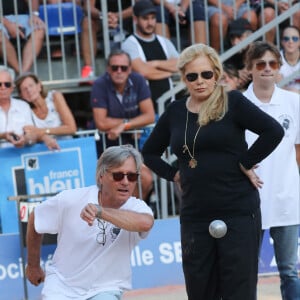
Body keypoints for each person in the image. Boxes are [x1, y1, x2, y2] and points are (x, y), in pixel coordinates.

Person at [141, 43, 284, 299]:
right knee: (200, 291)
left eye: (206, 74)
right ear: (183, 78)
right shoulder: (175, 112)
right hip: (195, 214)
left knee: (238, 291)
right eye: (192, 76)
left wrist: (246, 161)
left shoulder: (234, 102)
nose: (200, 81)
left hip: (238, 211)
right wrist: (173, 174)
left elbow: (274, 131)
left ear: (216, 74)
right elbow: (149, 152)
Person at [25, 144, 154, 299]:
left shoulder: (136, 206)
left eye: (132, 176)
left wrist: (101, 212)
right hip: (61, 285)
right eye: (118, 176)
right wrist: (33, 265)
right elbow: (35, 218)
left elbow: (145, 223)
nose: (126, 182)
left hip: (106, 288)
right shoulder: (71, 199)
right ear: (101, 176)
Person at [244, 40, 300, 300]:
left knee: (290, 270)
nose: (267, 69)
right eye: (261, 64)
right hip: (248, 199)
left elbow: (298, 149)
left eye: (273, 63)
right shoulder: (238, 103)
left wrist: (290, 180)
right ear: (250, 68)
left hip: (287, 197)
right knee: (246, 271)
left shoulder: (294, 102)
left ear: (279, 68)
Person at [90, 48, 155, 201]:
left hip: (133, 147)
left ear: (130, 69)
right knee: (112, 183)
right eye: (114, 68)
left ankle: (132, 214)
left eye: (123, 68)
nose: (119, 71)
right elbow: (101, 122)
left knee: (145, 179)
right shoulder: (99, 85)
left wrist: (125, 126)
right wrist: (131, 124)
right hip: (106, 150)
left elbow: (150, 115)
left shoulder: (138, 80)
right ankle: (118, 216)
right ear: (108, 69)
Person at [122, 0, 179, 114]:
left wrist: (156, 64)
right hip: (143, 111)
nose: (150, 23)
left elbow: (180, 64)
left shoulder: (164, 41)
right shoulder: (130, 43)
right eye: (145, 18)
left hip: (168, 107)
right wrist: (170, 73)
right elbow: (144, 72)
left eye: (153, 18)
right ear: (135, 19)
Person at [15, 72, 77, 150]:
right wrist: (44, 137)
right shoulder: (25, 110)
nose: (29, 90)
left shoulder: (54, 96)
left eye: (31, 85)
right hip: (44, 151)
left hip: (68, 147)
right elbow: (30, 135)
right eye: (24, 89)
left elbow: (71, 128)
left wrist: (42, 131)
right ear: (21, 95)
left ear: (39, 86)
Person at [80, 0, 133, 81]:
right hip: (101, 19)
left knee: (143, 15)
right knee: (87, 22)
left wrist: (117, 16)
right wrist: (103, 16)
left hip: (128, 19)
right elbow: (88, 7)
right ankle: (88, 70)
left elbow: (138, 5)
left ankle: (139, 66)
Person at [0, 0, 45, 74]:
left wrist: (34, 15)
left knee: (39, 29)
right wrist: (8, 24)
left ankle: (24, 73)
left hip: (21, 16)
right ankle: (20, 73)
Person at [0, 65, 39, 148]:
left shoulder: (23, 106)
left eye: (7, 84)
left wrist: (25, 139)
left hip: (20, 156)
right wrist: (3, 136)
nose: (3, 87)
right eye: (0, 84)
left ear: (12, 87)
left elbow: (32, 134)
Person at [224, 18, 253, 90]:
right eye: (232, 38)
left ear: (250, 36)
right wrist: (236, 74)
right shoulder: (231, 55)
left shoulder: (260, 52)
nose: (235, 42)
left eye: (239, 37)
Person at [277, 25, 300, 94]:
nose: (290, 41)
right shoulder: (276, 58)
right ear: (282, 42)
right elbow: (279, 88)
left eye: (295, 38)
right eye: (286, 38)